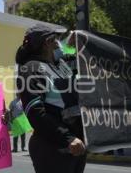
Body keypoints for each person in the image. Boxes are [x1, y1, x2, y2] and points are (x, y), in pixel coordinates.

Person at [15, 24, 86, 173]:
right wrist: (68, 138)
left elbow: (86, 62)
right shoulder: (31, 69)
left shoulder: (60, 65)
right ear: (48, 42)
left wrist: (81, 43)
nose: (60, 43)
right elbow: (36, 113)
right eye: (57, 38)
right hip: (53, 148)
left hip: (75, 145)